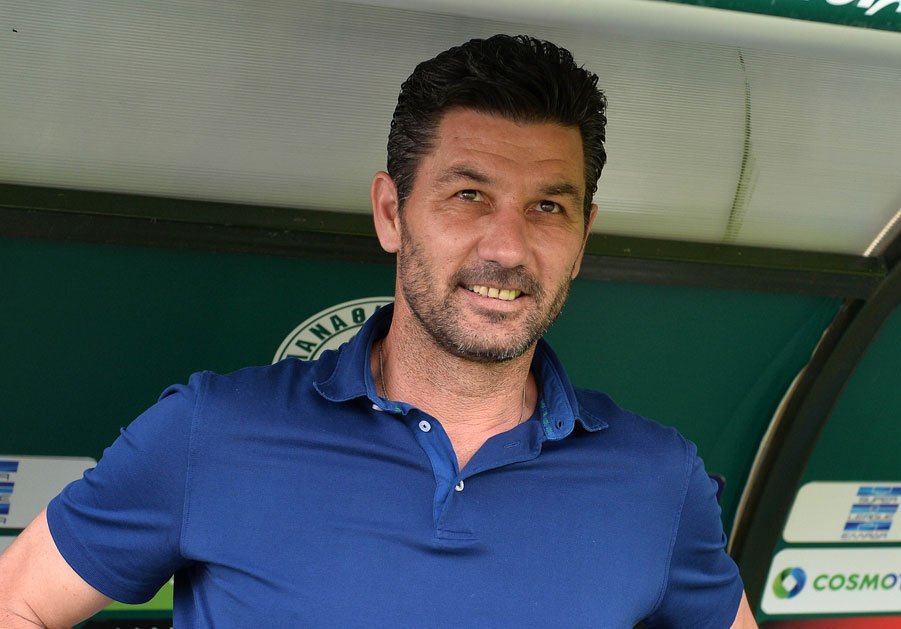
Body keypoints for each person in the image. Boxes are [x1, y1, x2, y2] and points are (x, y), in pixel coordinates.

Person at [0, 35, 756, 627]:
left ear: (583, 237)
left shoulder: (659, 480)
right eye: (469, 195)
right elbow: (18, 603)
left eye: (547, 207)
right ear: (392, 213)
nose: (507, 247)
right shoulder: (209, 432)